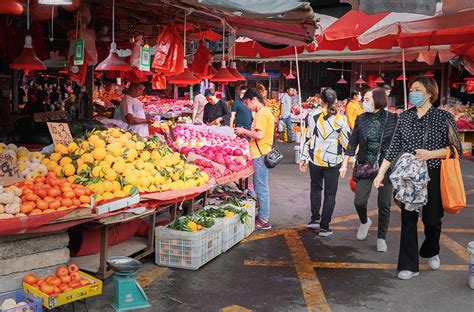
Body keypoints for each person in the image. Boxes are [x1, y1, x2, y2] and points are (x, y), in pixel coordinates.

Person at [373, 76, 462, 280]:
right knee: (408, 219)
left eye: (417, 89)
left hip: (433, 172)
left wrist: (431, 154)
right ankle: (408, 265)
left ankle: (432, 249)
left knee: (432, 219)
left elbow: (457, 149)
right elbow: (394, 147)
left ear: (430, 93)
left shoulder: (443, 117)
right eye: (411, 89)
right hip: (408, 175)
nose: (413, 92)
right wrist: (380, 173)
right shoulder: (404, 117)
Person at [340, 88, 398, 252]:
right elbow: (352, 143)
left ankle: (381, 237)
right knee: (359, 201)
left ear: (378, 100)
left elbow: (397, 143)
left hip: (384, 166)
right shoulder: (361, 119)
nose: (363, 102)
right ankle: (365, 222)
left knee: (384, 203)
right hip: (365, 165)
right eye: (363, 99)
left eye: (366, 99)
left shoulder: (392, 119)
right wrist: (344, 163)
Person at [299, 88, 350, 237]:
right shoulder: (340, 119)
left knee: (315, 188)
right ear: (335, 102)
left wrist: (303, 158)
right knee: (330, 194)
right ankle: (324, 227)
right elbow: (346, 142)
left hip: (315, 159)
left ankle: (315, 219)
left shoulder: (311, 116)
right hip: (333, 161)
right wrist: (348, 160)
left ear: (321, 101)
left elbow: (306, 138)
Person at [234, 88, 275, 230]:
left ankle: (264, 220)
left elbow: (259, 135)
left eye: (247, 104)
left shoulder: (262, 114)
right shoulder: (264, 112)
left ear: (253, 100)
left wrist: (244, 131)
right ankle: (262, 216)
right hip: (261, 153)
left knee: (261, 188)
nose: (247, 107)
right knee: (260, 186)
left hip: (260, 155)